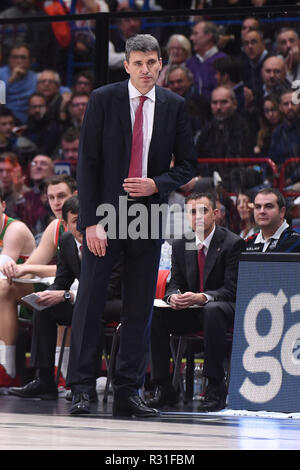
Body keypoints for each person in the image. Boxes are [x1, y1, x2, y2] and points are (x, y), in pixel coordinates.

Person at [66, 34, 195, 417]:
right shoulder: (104, 99)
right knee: (90, 298)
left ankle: (128, 390)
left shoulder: (175, 105)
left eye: (151, 62)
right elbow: (87, 164)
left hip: (147, 211)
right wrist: (89, 222)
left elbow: (189, 165)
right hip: (105, 212)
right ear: (126, 65)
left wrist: (159, 183)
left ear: (161, 64)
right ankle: (81, 388)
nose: (145, 69)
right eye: (137, 63)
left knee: (139, 304)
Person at [148, 192, 245, 412]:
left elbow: (232, 290)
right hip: (193, 309)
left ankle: (214, 387)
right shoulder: (183, 243)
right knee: (156, 314)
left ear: (215, 214)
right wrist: (173, 296)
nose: (197, 216)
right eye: (192, 212)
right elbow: (175, 282)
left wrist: (202, 297)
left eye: (203, 211)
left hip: (224, 307)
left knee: (212, 310)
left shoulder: (232, 243)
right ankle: (163, 387)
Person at [0, 174, 76, 387]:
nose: (56, 203)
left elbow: (80, 271)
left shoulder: (87, 224)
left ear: (76, 195)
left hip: (85, 293)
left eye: (61, 196)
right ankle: (6, 370)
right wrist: (16, 270)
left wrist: (27, 267)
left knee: (57, 295)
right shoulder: (54, 227)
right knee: (4, 287)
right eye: (51, 197)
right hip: (54, 289)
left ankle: (63, 375)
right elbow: (29, 269)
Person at [0, 185, 36, 386]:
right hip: (9, 294)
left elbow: (1, 269)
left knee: (2, 287)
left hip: (33, 289)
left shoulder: (14, 229)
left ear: (3, 205)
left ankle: (6, 369)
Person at [245, 187, 300, 253]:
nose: (262, 211)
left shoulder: (297, 242)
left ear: (282, 212)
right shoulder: (248, 243)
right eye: (258, 207)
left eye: (268, 206)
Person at [14, 154, 54, 237]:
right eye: (34, 163)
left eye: (43, 163)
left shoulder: (58, 194)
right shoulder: (25, 195)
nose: (38, 166)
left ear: (52, 171)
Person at [186, 20, 227, 101]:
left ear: (208, 36)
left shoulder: (224, 60)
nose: (191, 38)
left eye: (195, 33)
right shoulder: (190, 62)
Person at [0, 43, 37, 124]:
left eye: (23, 58)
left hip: (27, 121)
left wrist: (65, 93)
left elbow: (57, 86)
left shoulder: (35, 77)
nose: (19, 61)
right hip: (3, 119)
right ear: (9, 59)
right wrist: (11, 79)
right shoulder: (1, 73)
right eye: (15, 57)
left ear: (30, 61)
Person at [268, 89, 300, 168]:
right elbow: (271, 161)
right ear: (280, 107)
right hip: (283, 177)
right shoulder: (277, 132)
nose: (290, 107)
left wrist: (291, 180)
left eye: (293, 103)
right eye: (286, 104)